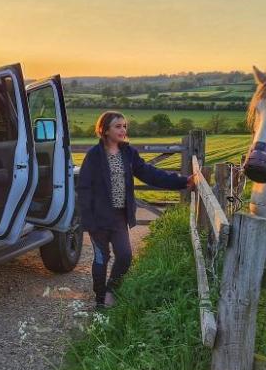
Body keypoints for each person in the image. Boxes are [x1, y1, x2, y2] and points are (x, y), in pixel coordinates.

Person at [76, 111, 196, 310]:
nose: (123, 130)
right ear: (104, 130)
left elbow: (150, 174)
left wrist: (182, 182)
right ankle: (99, 299)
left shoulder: (129, 153)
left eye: (124, 126)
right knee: (101, 257)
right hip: (98, 219)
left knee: (124, 256)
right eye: (118, 126)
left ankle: (111, 290)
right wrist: (88, 220)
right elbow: (83, 188)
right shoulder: (94, 155)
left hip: (119, 218)